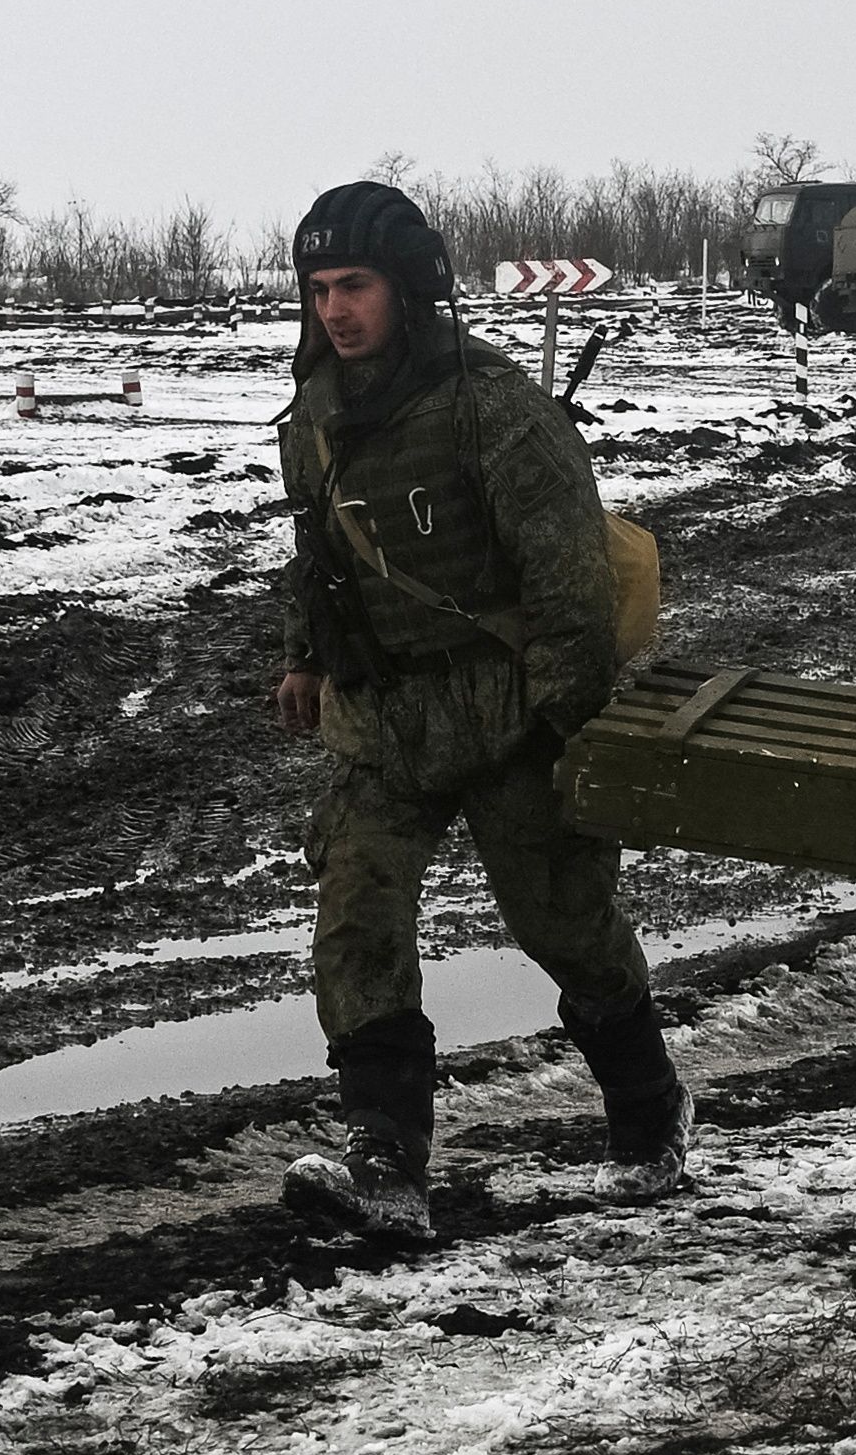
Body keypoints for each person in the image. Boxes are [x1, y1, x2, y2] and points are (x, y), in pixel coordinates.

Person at [272, 182, 689, 1242]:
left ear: (407, 287)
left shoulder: (493, 407)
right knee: (357, 920)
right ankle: (387, 1164)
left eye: (353, 285)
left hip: (508, 711)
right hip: (382, 719)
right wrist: (303, 658)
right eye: (318, 289)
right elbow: (318, 555)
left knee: (563, 922)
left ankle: (648, 1106)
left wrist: (571, 729)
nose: (334, 309)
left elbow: (566, 589)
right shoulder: (311, 413)